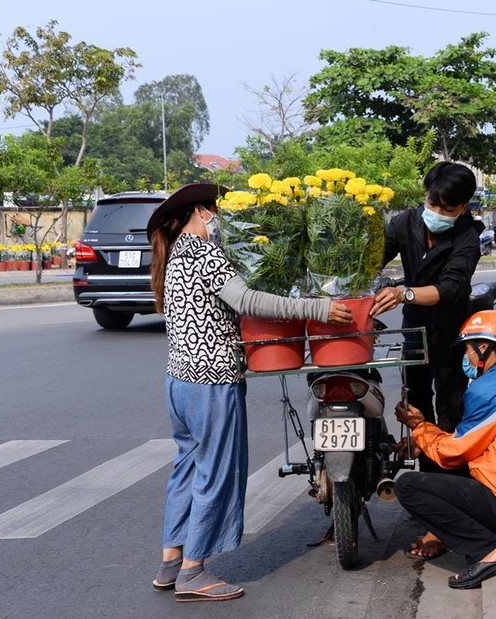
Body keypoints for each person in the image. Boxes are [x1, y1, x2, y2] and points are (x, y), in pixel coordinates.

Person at [146, 183, 352, 602]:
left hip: (179, 382)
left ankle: (171, 561)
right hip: (210, 381)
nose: (219, 219)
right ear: (202, 213)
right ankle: (193, 570)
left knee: (187, 468)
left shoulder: (172, 257)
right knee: (216, 474)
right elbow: (249, 301)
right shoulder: (203, 253)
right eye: (215, 212)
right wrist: (317, 308)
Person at [392, 310, 496, 589]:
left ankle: (488, 551)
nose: (466, 357)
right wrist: (424, 440)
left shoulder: (485, 389)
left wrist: (419, 427)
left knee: (409, 486)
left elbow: (452, 452)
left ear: (484, 347)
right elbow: (469, 439)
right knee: (458, 470)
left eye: (468, 349)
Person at [370, 161, 484, 448]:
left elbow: (449, 289)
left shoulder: (467, 237)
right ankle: (425, 469)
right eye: (433, 203)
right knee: (417, 399)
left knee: (451, 406)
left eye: (447, 209)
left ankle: (450, 472)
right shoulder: (405, 223)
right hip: (414, 329)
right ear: (426, 195)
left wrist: (402, 294)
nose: (437, 213)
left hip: (451, 333)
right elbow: (371, 260)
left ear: (464, 207)